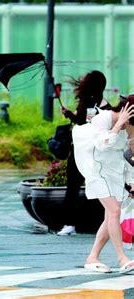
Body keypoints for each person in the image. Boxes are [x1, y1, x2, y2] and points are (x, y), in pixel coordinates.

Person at [73, 95, 134, 274]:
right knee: (115, 211)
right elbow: (102, 145)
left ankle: (92, 257)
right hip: (95, 170)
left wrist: (131, 182)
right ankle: (122, 258)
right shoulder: (102, 119)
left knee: (110, 216)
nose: (128, 127)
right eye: (129, 122)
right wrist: (118, 124)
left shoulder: (127, 127)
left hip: (112, 172)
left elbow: (126, 156)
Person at [57, 70, 111, 236]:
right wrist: (72, 115)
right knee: (98, 186)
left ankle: (69, 224)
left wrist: (69, 115)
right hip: (95, 151)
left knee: (73, 187)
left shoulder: (87, 102)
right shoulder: (104, 103)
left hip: (81, 150)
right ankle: (101, 222)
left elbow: (82, 123)